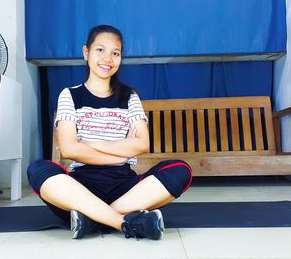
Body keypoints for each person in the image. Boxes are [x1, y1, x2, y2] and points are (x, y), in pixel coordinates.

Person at [27, 24, 192, 240]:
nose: (108, 58)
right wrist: (121, 153)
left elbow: (142, 144)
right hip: (81, 186)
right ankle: (123, 222)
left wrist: (90, 145)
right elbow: (68, 149)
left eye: (115, 53)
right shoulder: (70, 95)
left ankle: (90, 219)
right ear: (86, 52)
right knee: (38, 169)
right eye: (100, 50)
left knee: (180, 170)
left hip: (125, 186)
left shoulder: (129, 96)